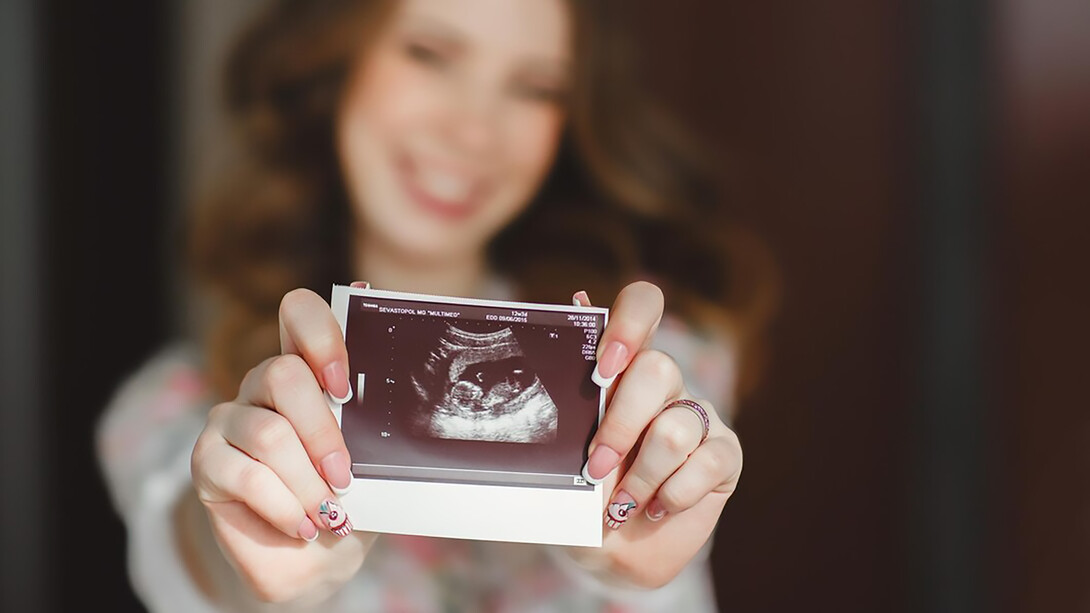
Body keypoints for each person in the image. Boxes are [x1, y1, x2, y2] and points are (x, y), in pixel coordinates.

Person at [97, 0, 776, 610]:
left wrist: (639, 516)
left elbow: (653, 545)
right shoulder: (172, 409)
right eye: (429, 54)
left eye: (536, 87)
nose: (473, 132)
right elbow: (195, 558)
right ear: (332, 57)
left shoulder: (648, 362)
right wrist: (251, 543)